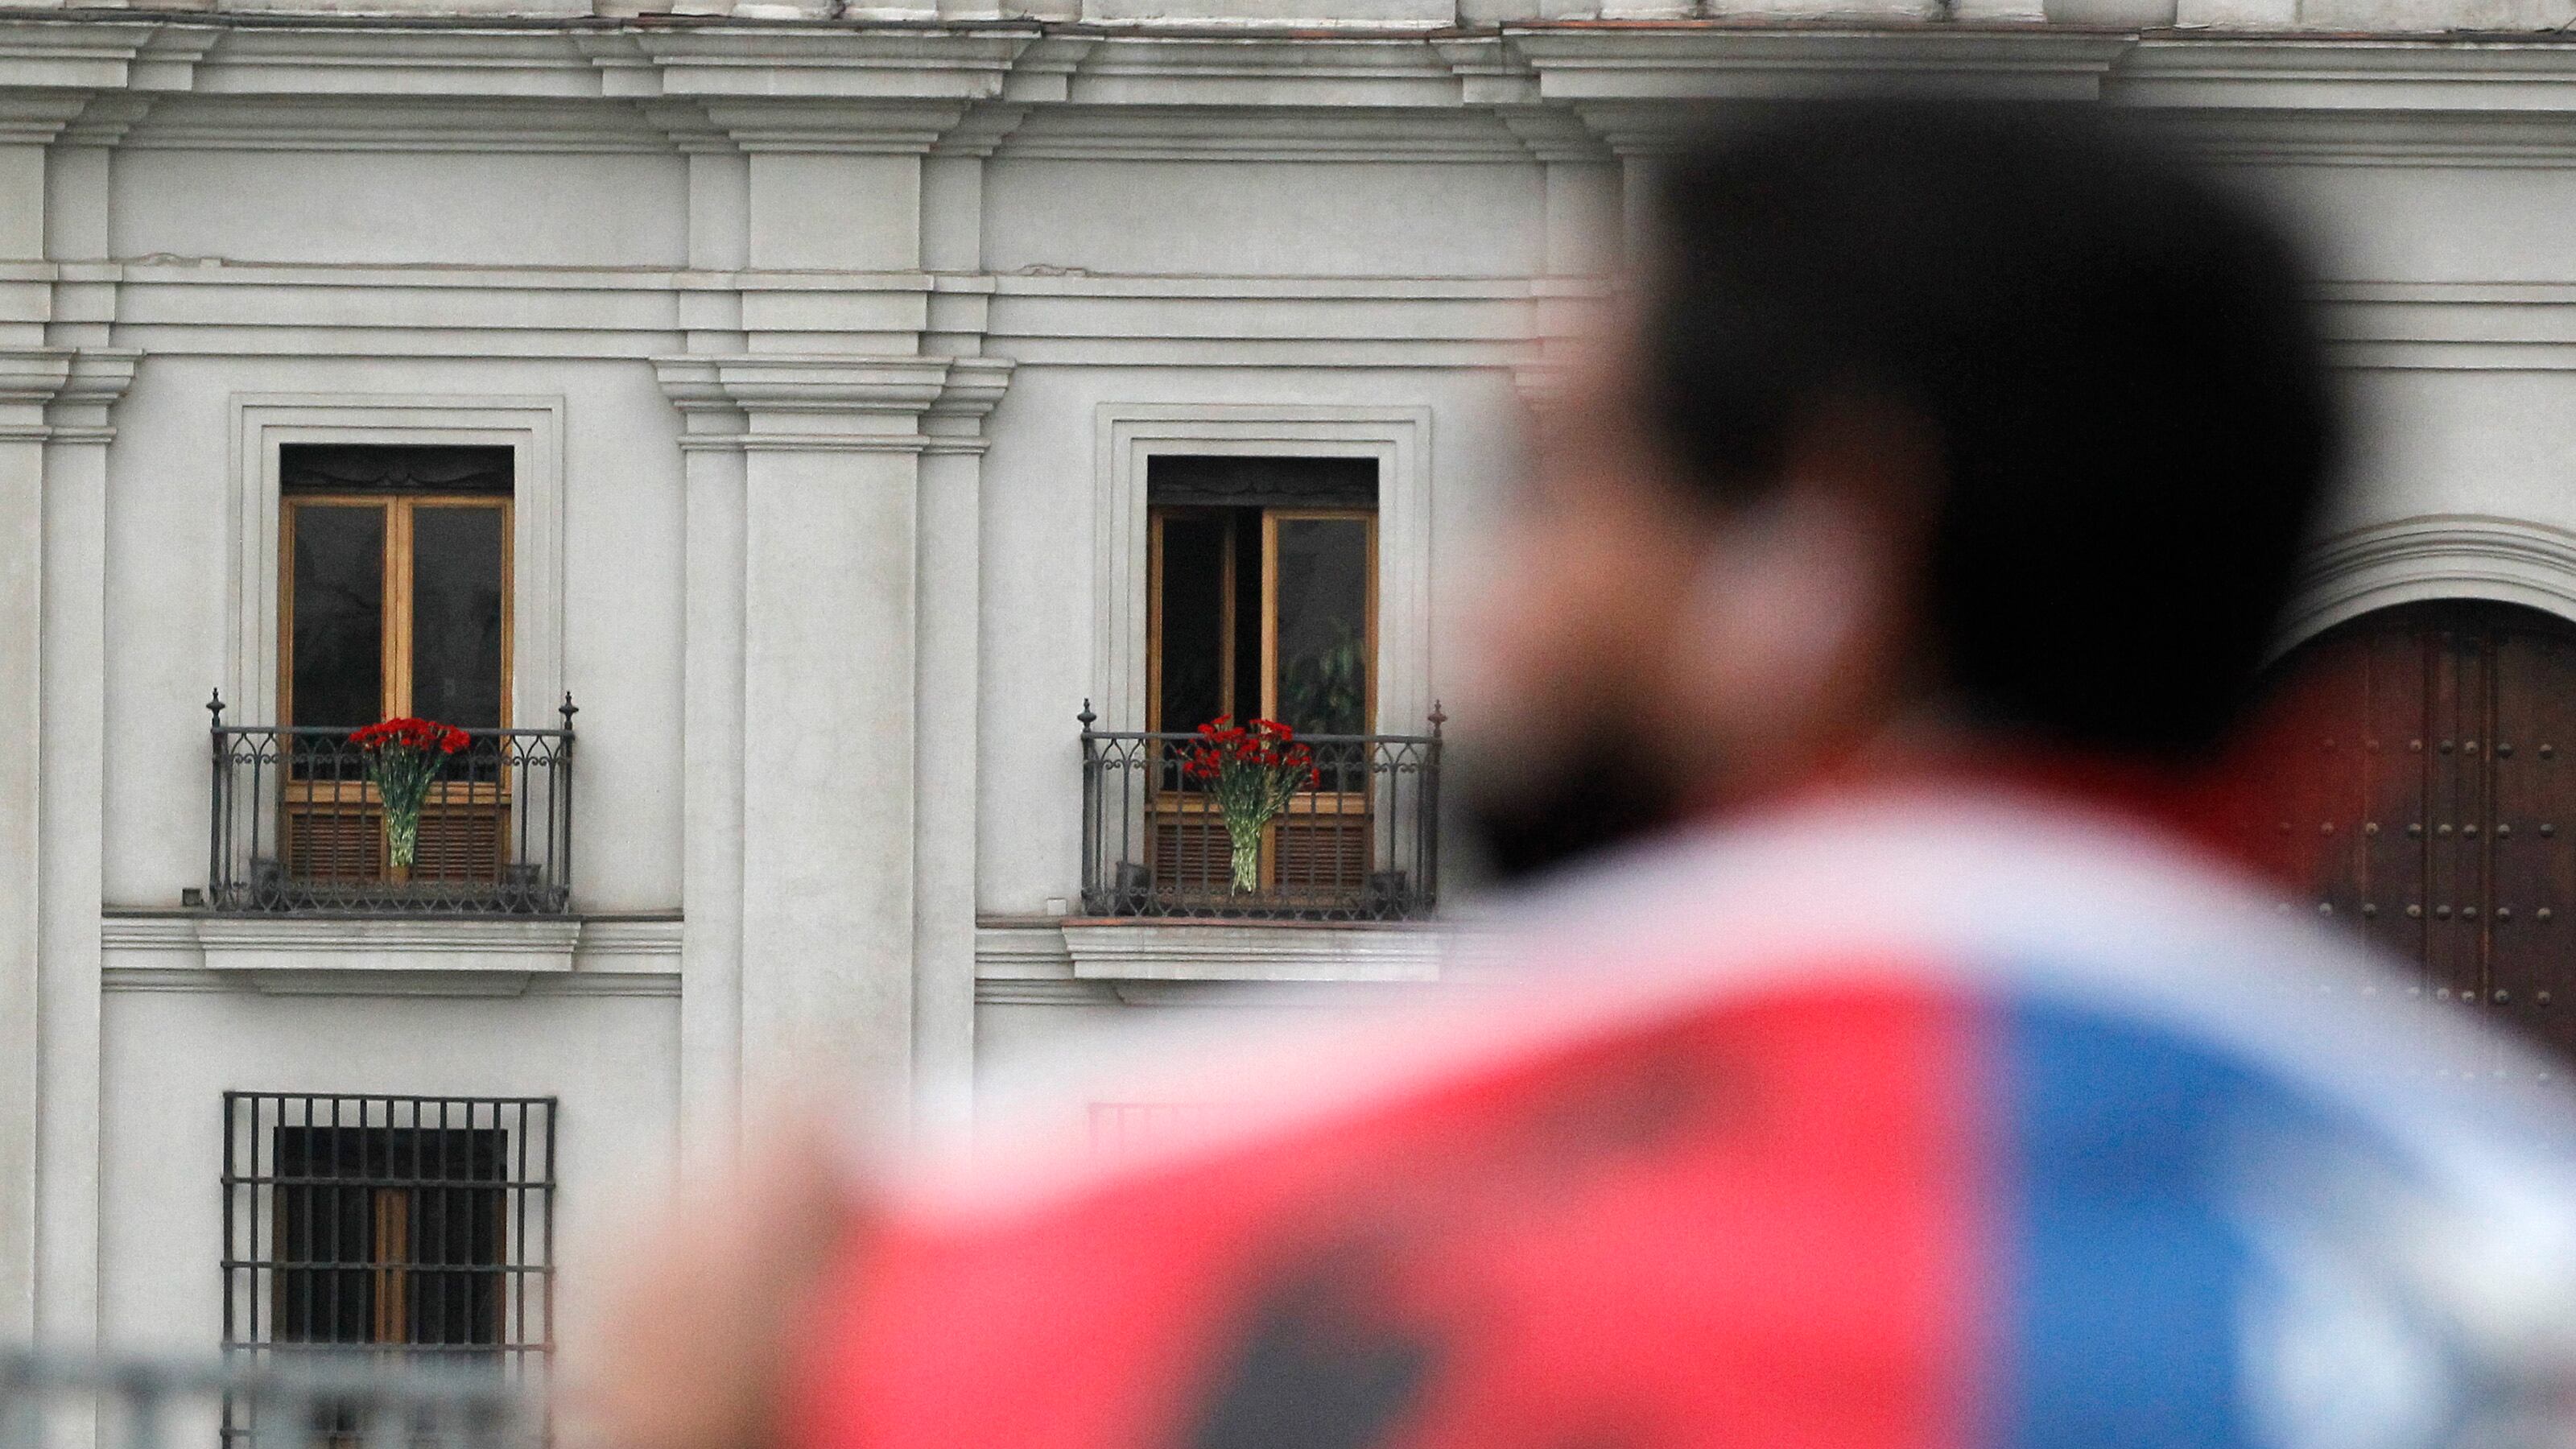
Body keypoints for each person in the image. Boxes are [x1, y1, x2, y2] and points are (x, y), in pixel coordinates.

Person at [576, 100, 2576, 1449]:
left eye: (1558, 487)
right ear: (2329, 750)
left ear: (1824, 549)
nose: (1479, 622)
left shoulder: (1007, 1282)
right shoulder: (2508, 1284)